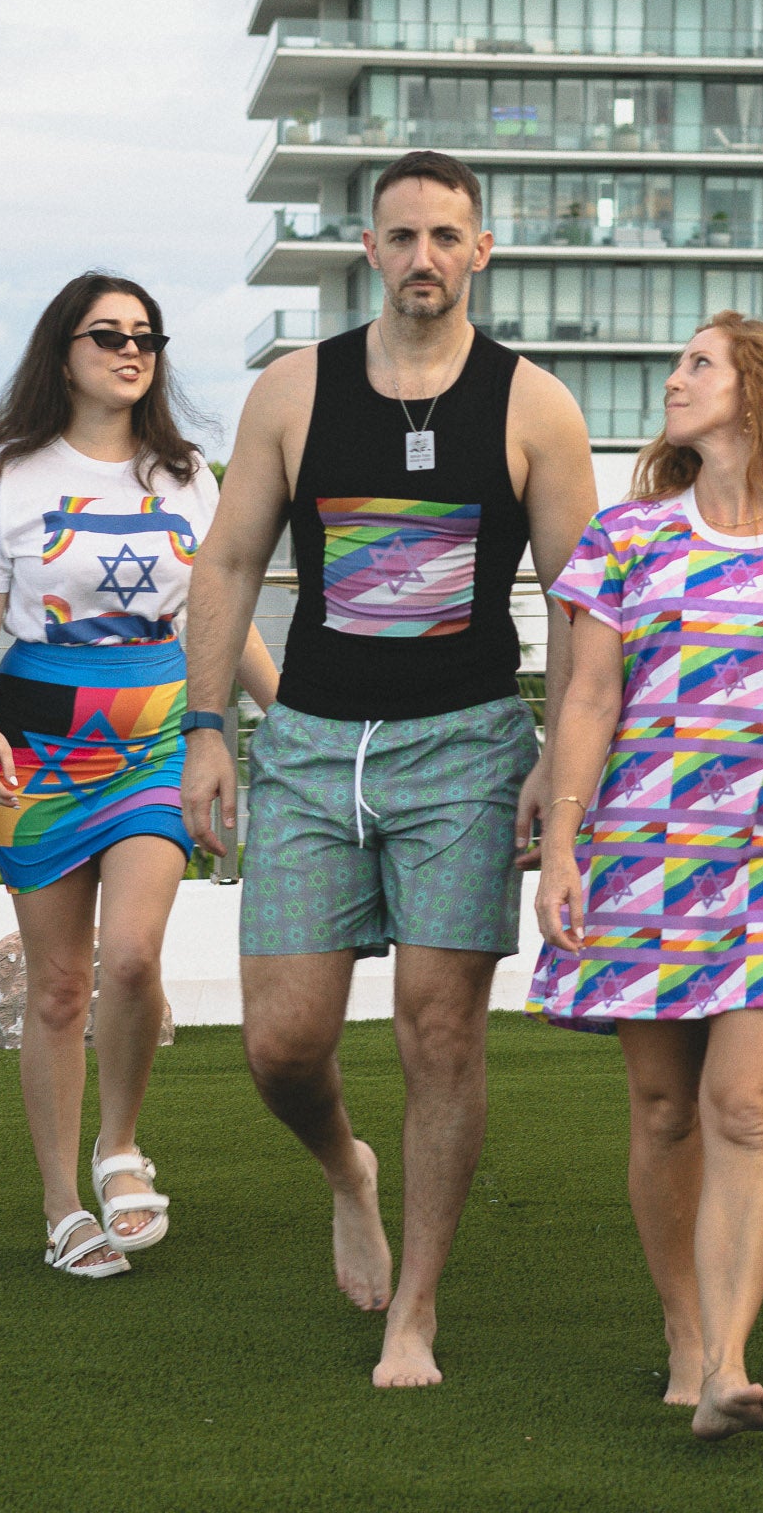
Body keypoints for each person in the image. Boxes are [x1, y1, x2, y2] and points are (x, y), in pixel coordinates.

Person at [180, 148, 596, 1388]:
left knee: (440, 1034)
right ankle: (346, 1169)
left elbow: (580, 604)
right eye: (402, 235)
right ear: (370, 248)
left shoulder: (536, 406)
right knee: (282, 1044)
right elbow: (227, 563)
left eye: (446, 236)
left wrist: (552, 772)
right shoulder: (291, 393)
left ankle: (416, 1306)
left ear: (482, 252)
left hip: (469, 745)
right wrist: (209, 725)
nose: (424, 256)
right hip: (308, 745)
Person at [530, 312, 763, 1441]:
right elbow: (587, 698)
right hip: (642, 853)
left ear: (759, 390)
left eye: (699, 362)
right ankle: (685, 1333)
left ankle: (732, 1359)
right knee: (660, 1106)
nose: (674, 378)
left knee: (745, 1104)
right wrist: (558, 846)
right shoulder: (626, 536)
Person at [0, 274, 277, 1278]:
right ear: (64, 350)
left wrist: (293, 709)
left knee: (130, 955)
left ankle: (119, 1146)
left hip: (155, 744)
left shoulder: (185, 473)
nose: (131, 349)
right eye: (108, 333)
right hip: (40, 749)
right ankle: (60, 1205)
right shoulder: (4, 472)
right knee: (56, 988)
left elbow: (219, 611)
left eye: (146, 335)